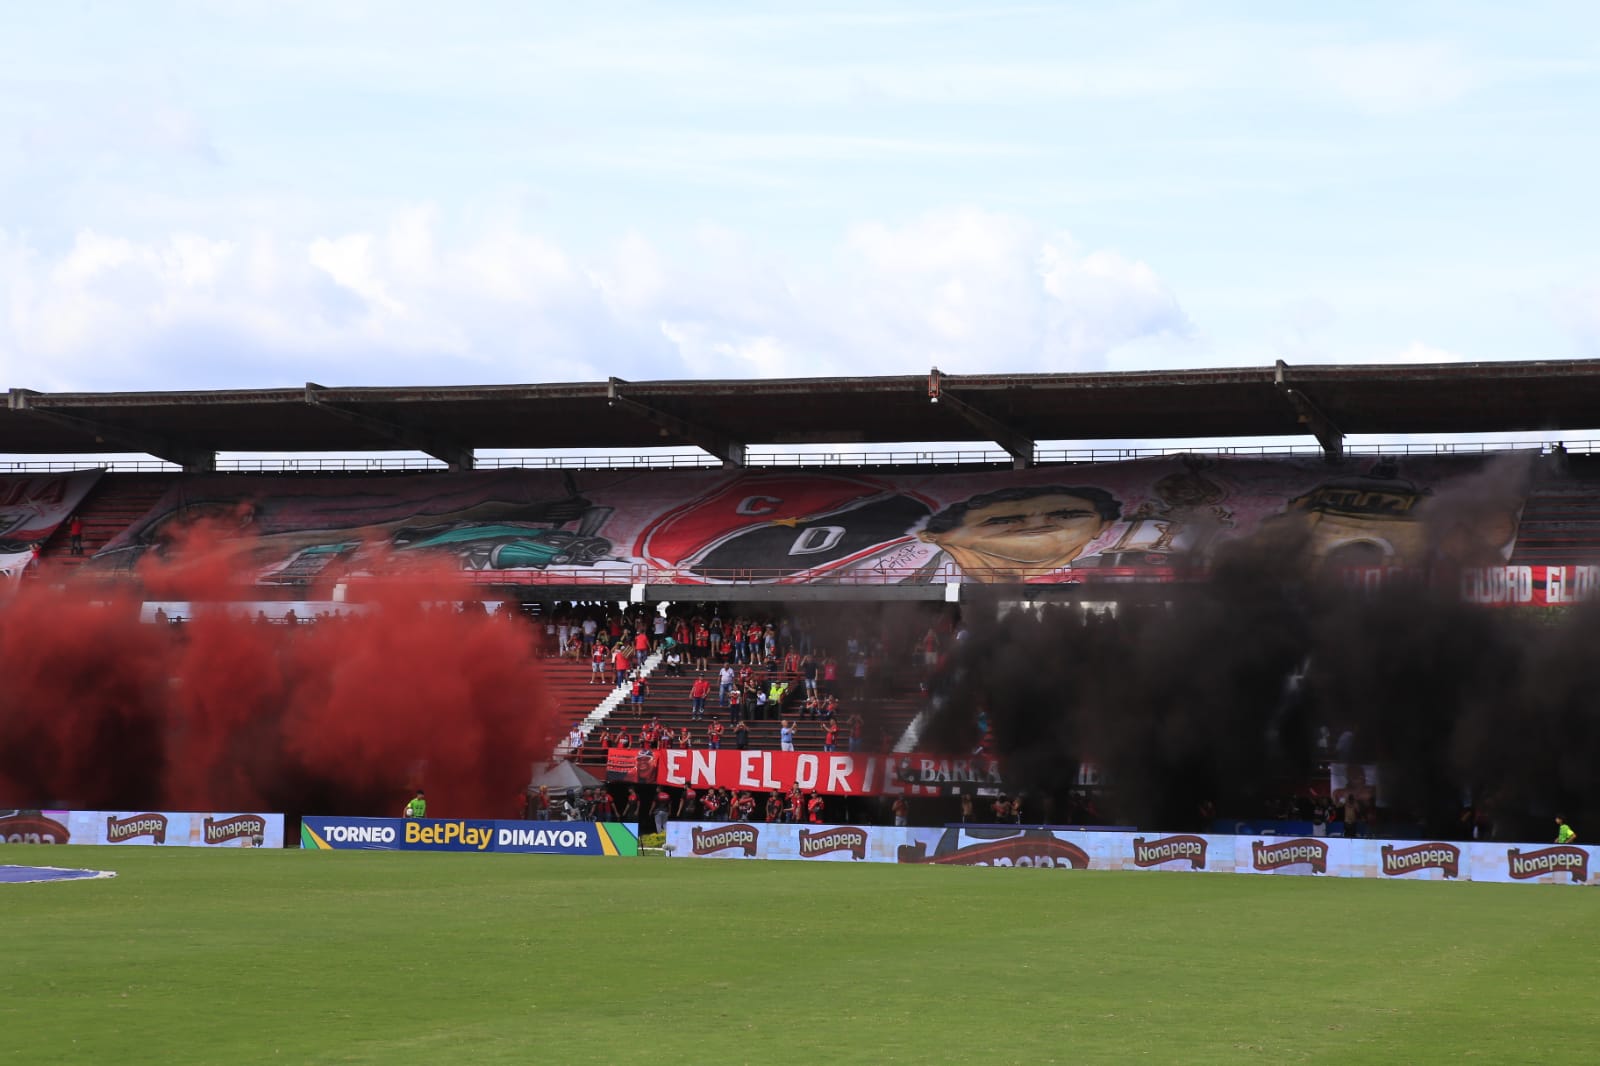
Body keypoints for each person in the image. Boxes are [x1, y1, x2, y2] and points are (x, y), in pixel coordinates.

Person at [916, 485, 1121, 582]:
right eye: (1002, 520)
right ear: (935, 536)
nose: (1037, 526)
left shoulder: (1115, 568)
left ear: (1103, 526)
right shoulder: (917, 574)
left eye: (1066, 515)